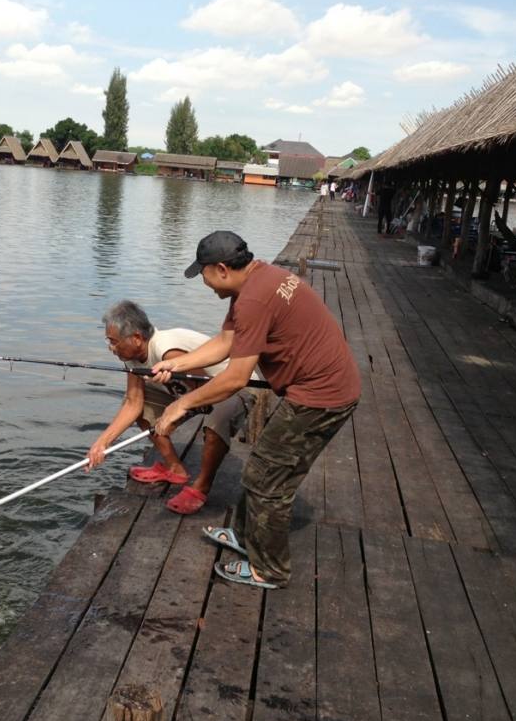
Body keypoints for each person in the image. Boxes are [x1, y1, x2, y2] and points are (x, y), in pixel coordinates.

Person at [152, 231, 360, 589]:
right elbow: (226, 343)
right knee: (263, 468)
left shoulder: (254, 300)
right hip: (322, 386)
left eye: (202, 273)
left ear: (220, 269)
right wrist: (180, 364)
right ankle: (248, 539)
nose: (203, 282)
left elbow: (235, 378)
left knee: (268, 481)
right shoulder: (261, 279)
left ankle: (271, 569)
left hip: (322, 396)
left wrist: (181, 404)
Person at [85, 300, 258, 515]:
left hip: (234, 386)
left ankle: (201, 486)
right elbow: (133, 402)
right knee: (142, 406)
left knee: (216, 421)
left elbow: (207, 390)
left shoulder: (167, 350)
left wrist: (175, 413)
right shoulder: (132, 358)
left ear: (137, 338)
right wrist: (102, 443)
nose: (111, 348)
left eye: (113, 342)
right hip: (194, 392)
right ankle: (174, 469)